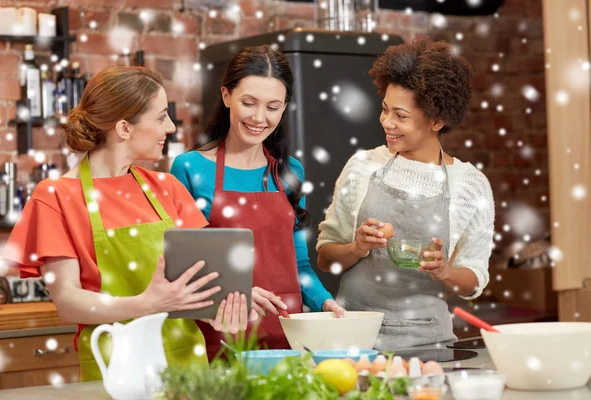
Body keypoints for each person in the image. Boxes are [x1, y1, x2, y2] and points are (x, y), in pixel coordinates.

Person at [1, 67, 247, 381]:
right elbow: (69, 301)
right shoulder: (55, 197)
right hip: (115, 373)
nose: (170, 127)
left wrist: (228, 304)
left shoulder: (167, 188)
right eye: (161, 117)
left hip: (187, 371)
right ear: (124, 128)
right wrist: (145, 304)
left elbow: (202, 283)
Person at [316, 37, 495, 350]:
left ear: (437, 120)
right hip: (355, 338)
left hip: (429, 343)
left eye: (401, 116)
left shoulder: (470, 184)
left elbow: (474, 280)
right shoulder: (362, 167)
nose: (387, 122)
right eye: (385, 110)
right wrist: (356, 247)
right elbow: (325, 256)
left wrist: (445, 271)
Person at [170, 45, 345, 360]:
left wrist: (324, 302)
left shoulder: (290, 172)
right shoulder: (189, 169)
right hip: (219, 337)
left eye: (272, 107)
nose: (259, 118)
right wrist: (232, 292)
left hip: (286, 339)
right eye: (248, 103)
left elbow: (300, 264)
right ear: (226, 96)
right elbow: (184, 271)